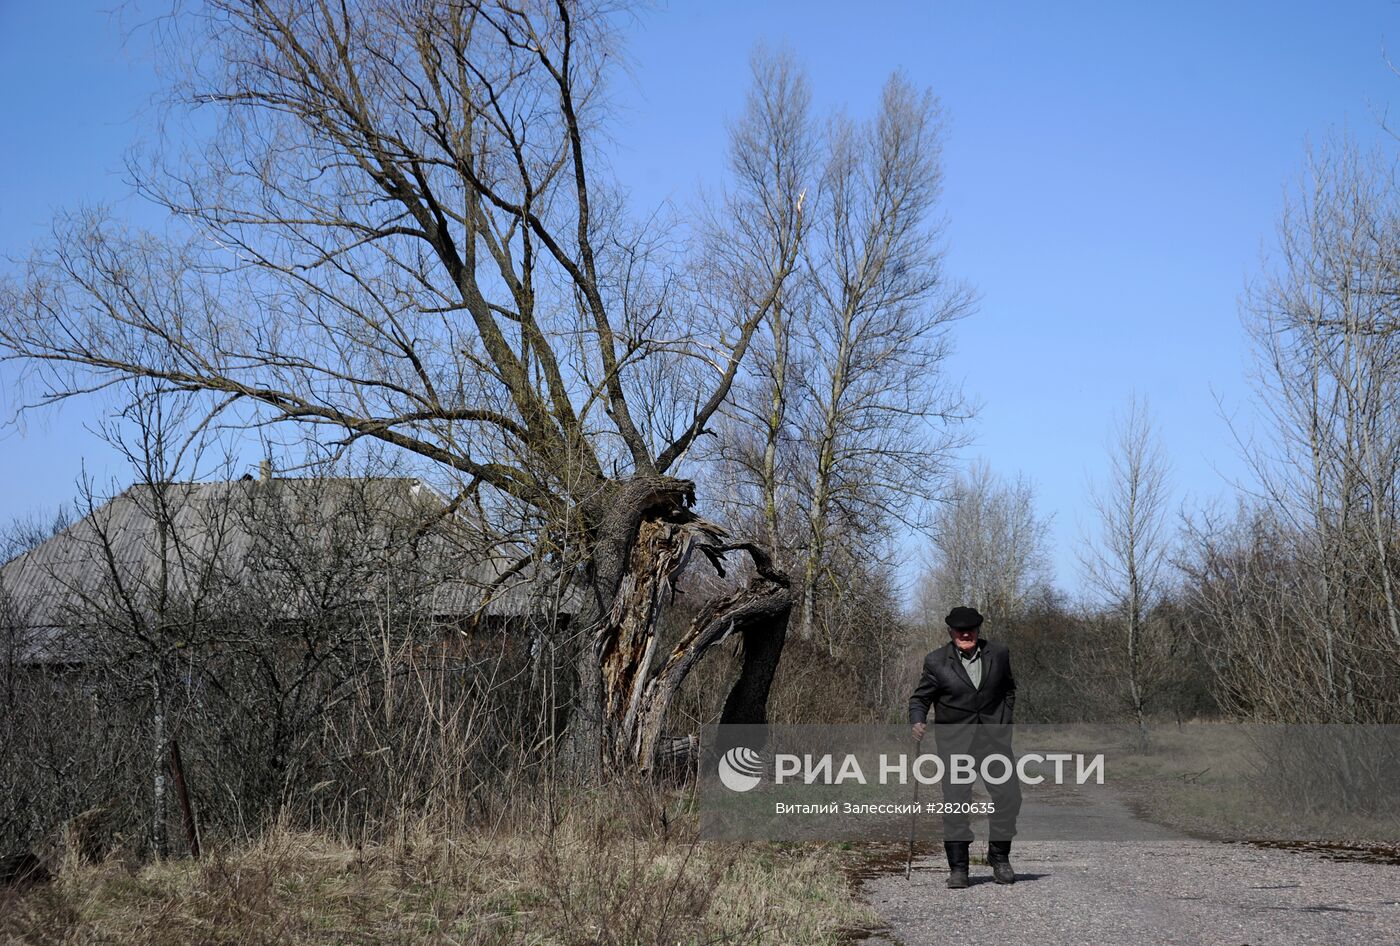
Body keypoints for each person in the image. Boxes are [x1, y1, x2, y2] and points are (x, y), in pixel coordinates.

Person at [908, 605, 1021, 888]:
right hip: (956, 744)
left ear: (979, 630)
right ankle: (959, 868)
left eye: (970, 629)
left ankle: (1000, 858)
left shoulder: (999, 653)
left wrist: (1004, 719)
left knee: (1009, 797)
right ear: (951, 632)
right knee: (957, 804)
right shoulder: (936, 661)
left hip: (994, 740)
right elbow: (920, 699)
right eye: (960, 630)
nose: (966, 633)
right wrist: (918, 720)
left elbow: (1009, 689)